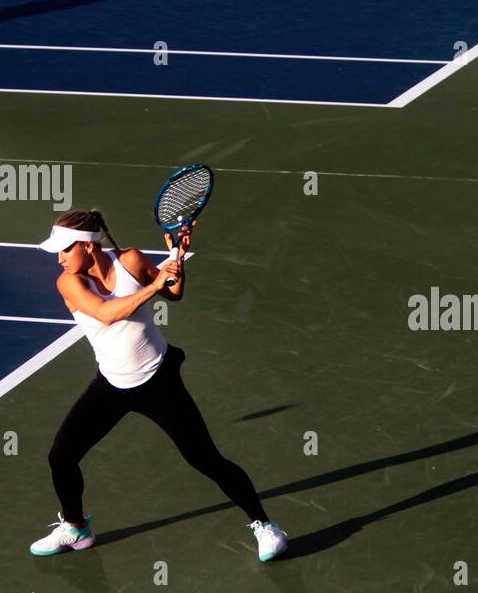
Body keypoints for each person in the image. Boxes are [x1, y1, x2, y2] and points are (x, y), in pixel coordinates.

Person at [30, 208, 287, 561]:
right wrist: (154, 285)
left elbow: (175, 292)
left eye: (64, 250)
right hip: (111, 385)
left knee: (204, 458)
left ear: (88, 246)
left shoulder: (131, 261)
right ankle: (76, 528)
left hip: (158, 382)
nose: (58, 258)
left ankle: (265, 525)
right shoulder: (69, 283)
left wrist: (176, 258)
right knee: (61, 456)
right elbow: (107, 314)